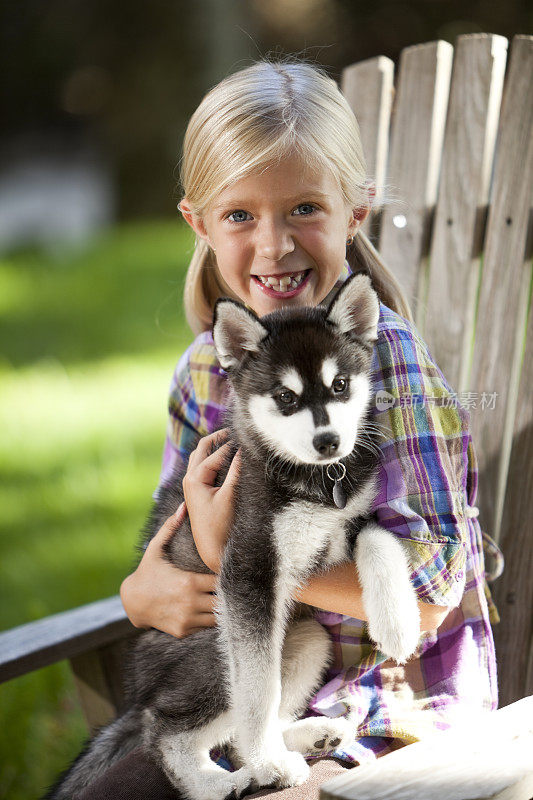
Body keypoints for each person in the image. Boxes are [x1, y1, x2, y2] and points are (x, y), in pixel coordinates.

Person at [79, 59, 503, 800]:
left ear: (355, 213)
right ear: (199, 224)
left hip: (390, 703)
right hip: (240, 692)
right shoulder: (205, 373)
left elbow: (433, 592)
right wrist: (141, 592)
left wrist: (230, 552)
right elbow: (169, 544)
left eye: (304, 207)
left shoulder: (384, 366)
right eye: (240, 215)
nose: (273, 245)